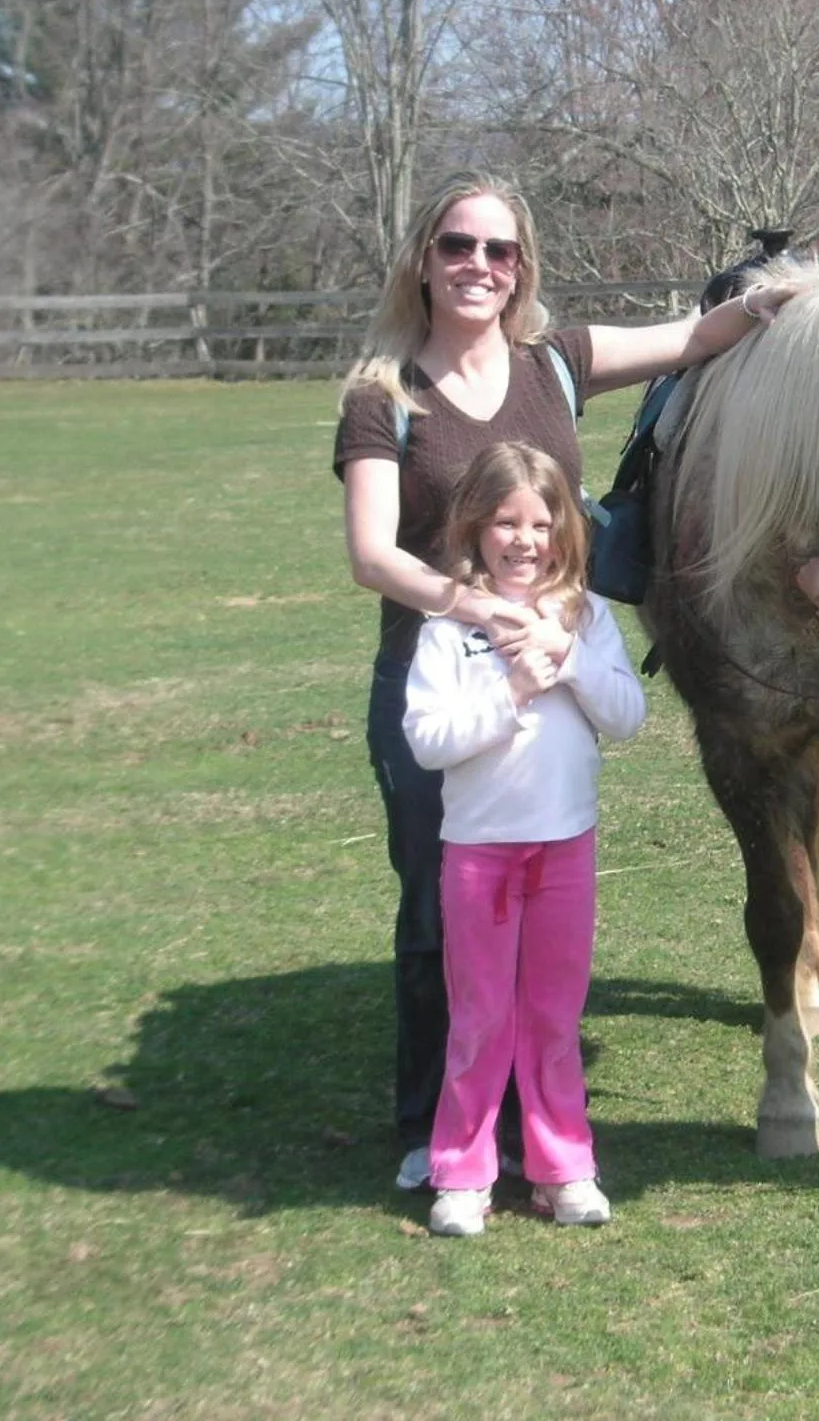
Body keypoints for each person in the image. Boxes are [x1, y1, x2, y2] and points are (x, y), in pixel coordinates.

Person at [334, 170, 786, 1193]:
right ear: (422, 256)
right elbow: (371, 554)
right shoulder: (384, 395)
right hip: (438, 674)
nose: (477, 267)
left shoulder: (558, 365)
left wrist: (771, 303)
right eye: (457, 245)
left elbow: (692, 337)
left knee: (539, 918)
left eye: (499, 251)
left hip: (554, 688)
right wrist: (480, 612)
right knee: (436, 910)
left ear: (522, 266)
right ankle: (436, 1126)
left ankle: (533, 1126)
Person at [402, 442, 647, 1234]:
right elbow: (428, 741)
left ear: (564, 531)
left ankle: (562, 1166)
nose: (523, 540)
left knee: (552, 1016)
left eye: (540, 523)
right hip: (479, 854)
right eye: (505, 522)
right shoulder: (449, 630)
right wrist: (511, 690)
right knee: (479, 1019)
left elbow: (629, 716)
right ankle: (463, 1174)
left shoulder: (589, 618)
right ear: (475, 529)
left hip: (564, 850)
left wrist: (567, 659)